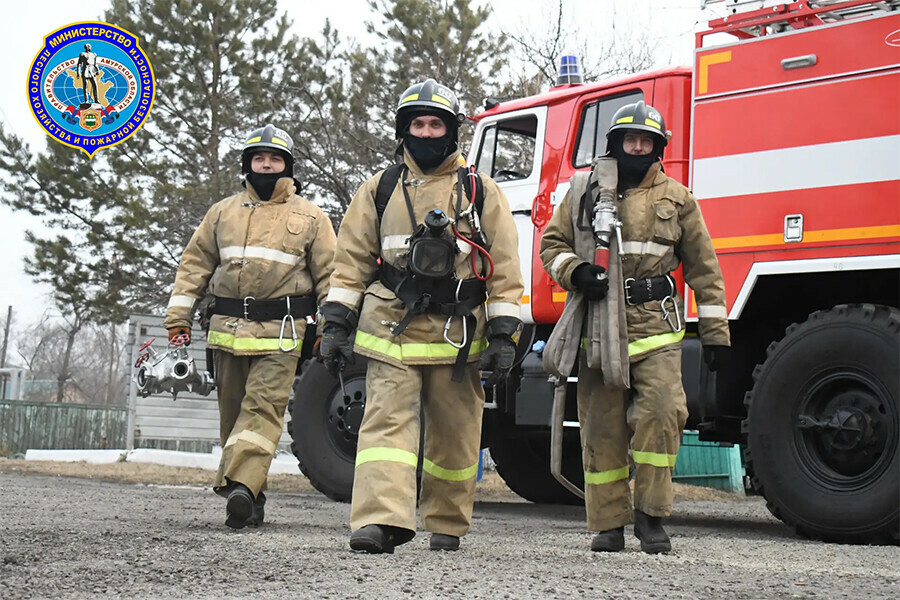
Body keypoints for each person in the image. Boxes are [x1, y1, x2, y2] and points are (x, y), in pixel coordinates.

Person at [320, 79, 524, 554]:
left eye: (436, 124)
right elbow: (350, 261)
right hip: (392, 326)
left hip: (459, 335)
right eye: (418, 124)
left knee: (455, 436)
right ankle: (378, 521)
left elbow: (506, 267)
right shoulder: (379, 190)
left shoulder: (480, 191)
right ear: (403, 130)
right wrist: (335, 322)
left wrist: (504, 334)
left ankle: (446, 523)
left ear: (451, 131)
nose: (427, 133)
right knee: (384, 429)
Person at [540, 101, 730, 554]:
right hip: (598, 326)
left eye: (647, 141)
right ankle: (608, 524)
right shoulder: (584, 189)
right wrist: (576, 272)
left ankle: (651, 516)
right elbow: (552, 243)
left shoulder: (678, 198)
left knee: (662, 417)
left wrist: (715, 333)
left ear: (659, 147)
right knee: (601, 427)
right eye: (631, 140)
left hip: (657, 329)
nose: (639, 147)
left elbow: (705, 269)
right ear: (616, 144)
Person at [164, 124, 336, 529]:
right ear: (248, 164)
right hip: (226, 332)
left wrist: (332, 326)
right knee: (234, 419)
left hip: (281, 334)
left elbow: (332, 275)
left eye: (275, 159)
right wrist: (178, 320)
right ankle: (251, 494)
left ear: (287, 166)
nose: (266, 164)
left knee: (262, 411)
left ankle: (240, 486)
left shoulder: (311, 217)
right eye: (259, 158)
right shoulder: (222, 212)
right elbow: (194, 266)